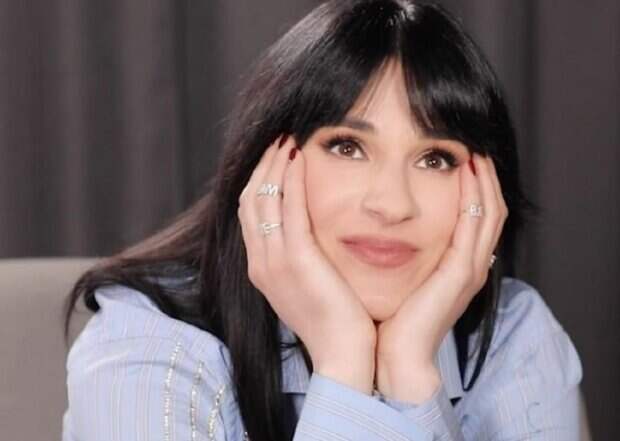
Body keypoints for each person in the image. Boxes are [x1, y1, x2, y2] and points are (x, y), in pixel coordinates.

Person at [61, 1, 584, 440]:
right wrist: (343, 361)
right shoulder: (148, 344)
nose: (392, 204)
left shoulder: (514, 337)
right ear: (269, 168)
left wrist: (409, 369)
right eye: (347, 147)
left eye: (435, 159)